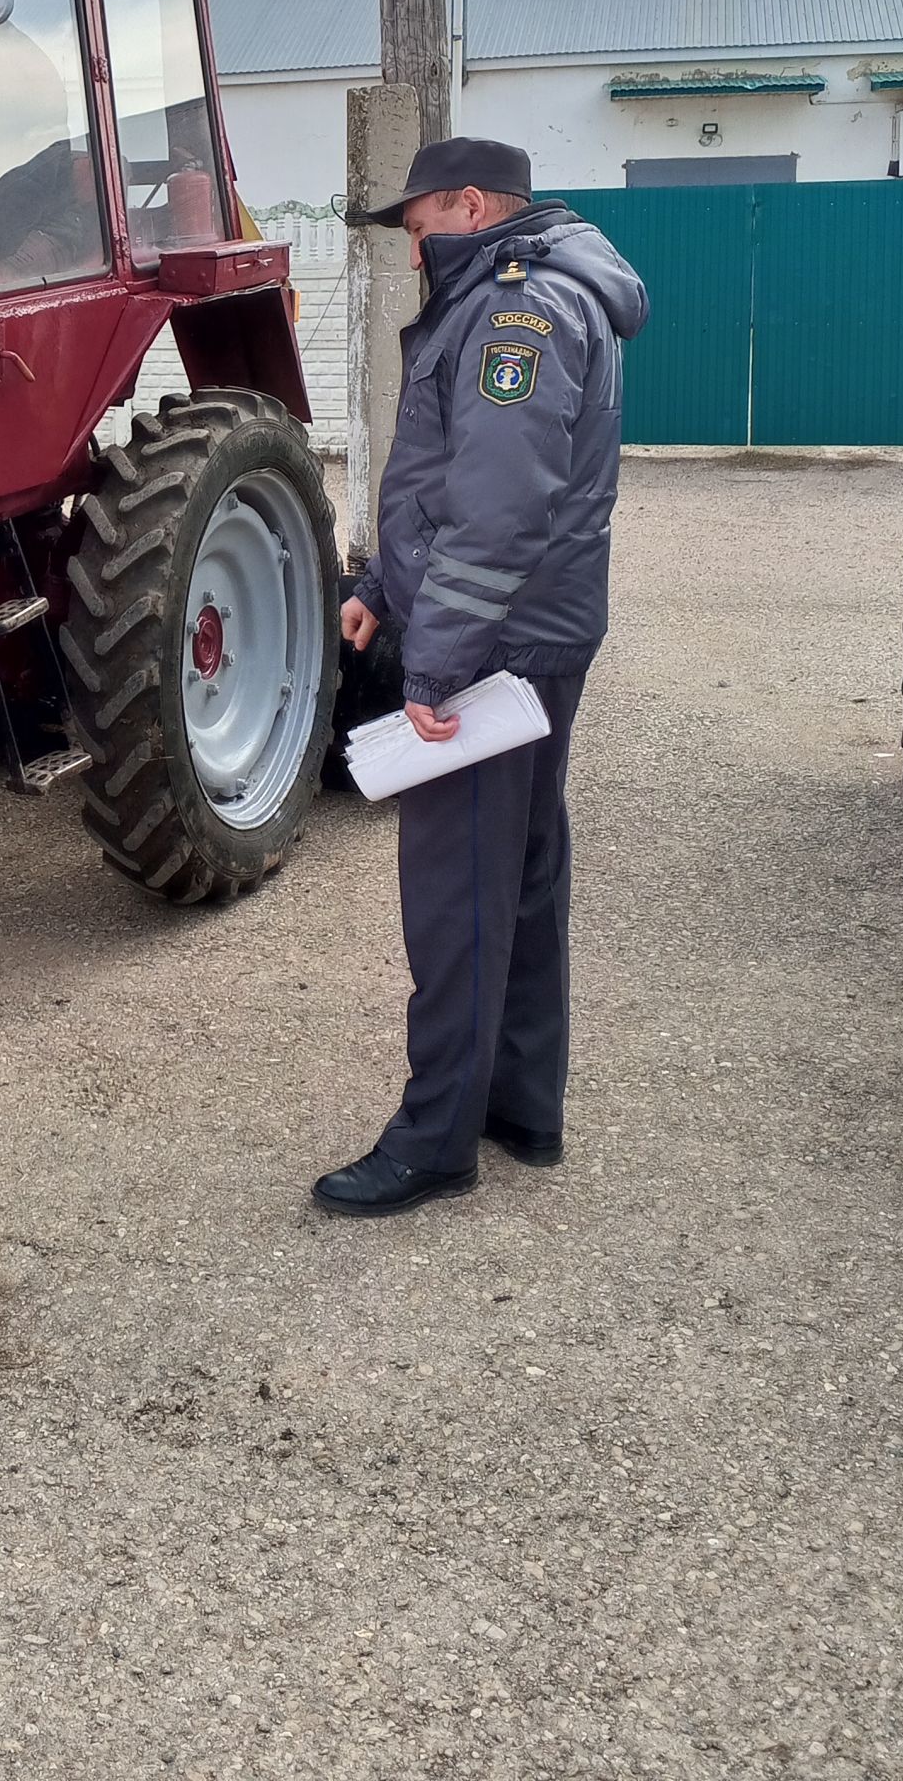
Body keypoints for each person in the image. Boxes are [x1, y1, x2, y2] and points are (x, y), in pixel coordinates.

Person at [313, 137, 648, 1219]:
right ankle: (518, 1104)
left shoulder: (519, 311)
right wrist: (385, 586)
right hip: (531, 631)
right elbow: (447, 485)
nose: (413, 251)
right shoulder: (523, 294)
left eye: (416, 228)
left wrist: (439, 656)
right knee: (523, 869)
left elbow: (500, 506)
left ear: (468, 202)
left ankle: (435, 1141)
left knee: (458, 892)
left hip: (500, 642)